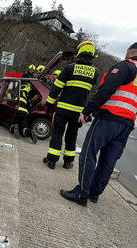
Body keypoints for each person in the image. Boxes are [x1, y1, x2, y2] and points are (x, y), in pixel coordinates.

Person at [60, 42, 137, 206]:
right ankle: (94, 193)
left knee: (89, 153)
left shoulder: (126, 67)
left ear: (128, 53)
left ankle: (82, 193)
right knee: (108, 160)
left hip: (108, 119)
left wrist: (88, 111)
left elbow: (106, 89)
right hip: (127, 124)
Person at [43, 41, 99, 169]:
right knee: (72, 136)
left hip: (63, 109)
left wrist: (49, 104)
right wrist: (87, 112)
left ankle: (52, 160)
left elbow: (56, 87)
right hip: (78, 112)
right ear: (92, 55)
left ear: (79, 52)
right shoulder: (95, 72)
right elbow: (91, 93)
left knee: (57, 133)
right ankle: (68, 162)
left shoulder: (70, 68)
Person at [9, 72, 37, 143]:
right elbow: (30, 103)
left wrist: (9, 93)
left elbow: (11, 98)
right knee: (24, 128)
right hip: (25, 112)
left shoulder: (18, 90)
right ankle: (29, 132)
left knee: (12, 124)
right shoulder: (27, 91)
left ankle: (14, 127)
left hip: (18, 110)